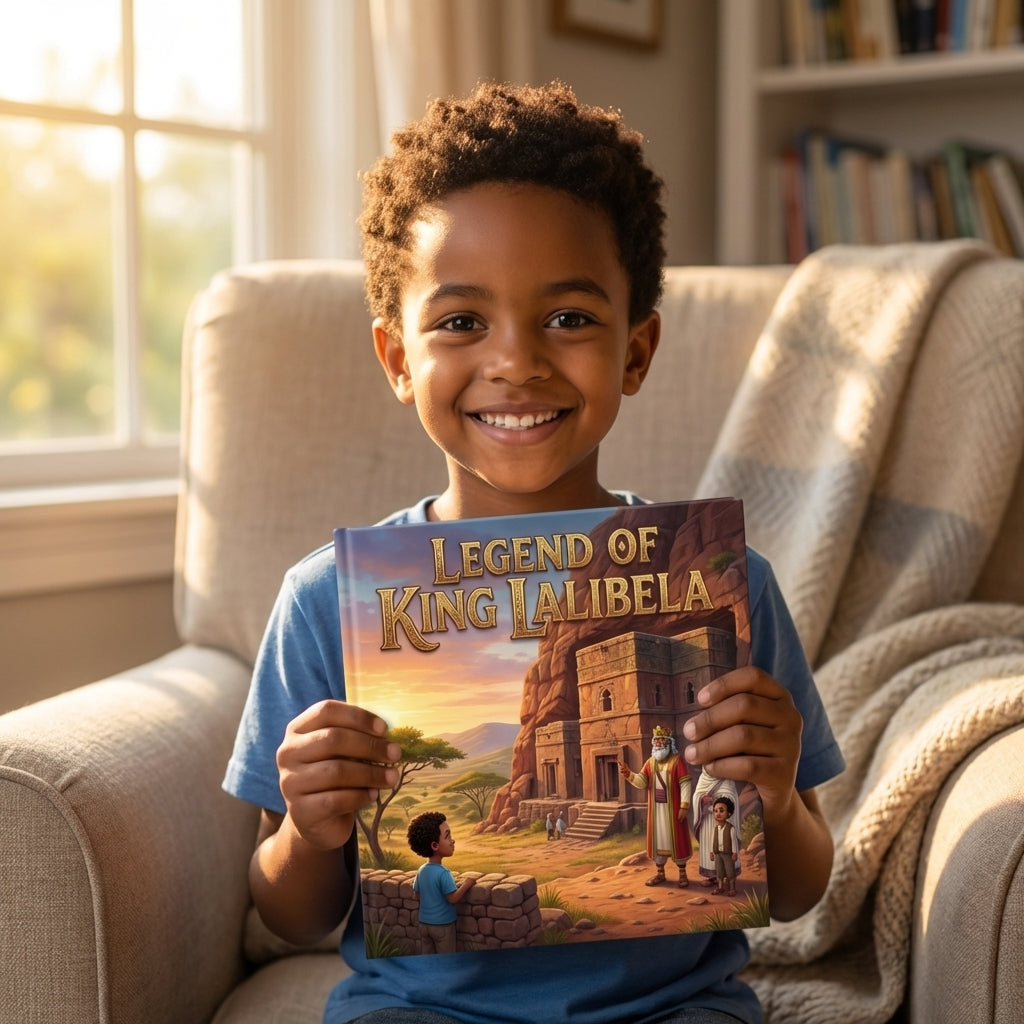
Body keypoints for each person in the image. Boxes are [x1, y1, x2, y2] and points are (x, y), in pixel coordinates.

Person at [222, 79, 845, 1024]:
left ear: (636, 353)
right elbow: (293, 913)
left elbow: (798, 889)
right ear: (398, 359)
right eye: (462, 321)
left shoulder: (726, 588)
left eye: (568, 318)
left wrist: (778, 797)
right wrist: (309, 832)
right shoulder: (325, 600)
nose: (516, 361)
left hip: (674, 1008)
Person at [620, 726, 692, 888]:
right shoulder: (650, 763)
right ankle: (660, 874)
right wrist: (629, 774)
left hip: (673, 809)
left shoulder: (677, 760)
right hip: (657, 811)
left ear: (668, 742)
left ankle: (682, 874)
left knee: (677, 840)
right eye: (657, 740)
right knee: (659, 840)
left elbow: (685, 784)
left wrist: (684, 806)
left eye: (662, 740)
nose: (659, 743)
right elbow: (642, 782)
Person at [407, 811, 475, 954]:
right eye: (447, 836)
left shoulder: (422, 870)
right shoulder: (443, 873)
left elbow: (416, 895)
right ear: (435, 845)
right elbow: (453, 898)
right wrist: (467, 884)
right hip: (442, 926)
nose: (452, 840)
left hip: (424, 924)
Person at [692, 767, 743, 889]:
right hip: (707, 823)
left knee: (727, 852)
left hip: (725, 821)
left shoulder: (727, 779)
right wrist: (701, 800)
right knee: (711, 847)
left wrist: (716, 805)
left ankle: (728, 878)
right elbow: (696, 796)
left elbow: (731, 797)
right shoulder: (703, 778)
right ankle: (712, 877)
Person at [710, 797, 739, 897]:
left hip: (727, 854)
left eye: (721, 811)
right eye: (715, 811)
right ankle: (720, 887)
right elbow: (712, 840)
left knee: (730, 870)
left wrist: (735, 853)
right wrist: (711, 852)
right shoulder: (715, 828)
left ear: (729, 814)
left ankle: (732, 888)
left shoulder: (730, 828)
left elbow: (734, 841)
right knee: (719, 870)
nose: (718, 813)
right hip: (718, 853)